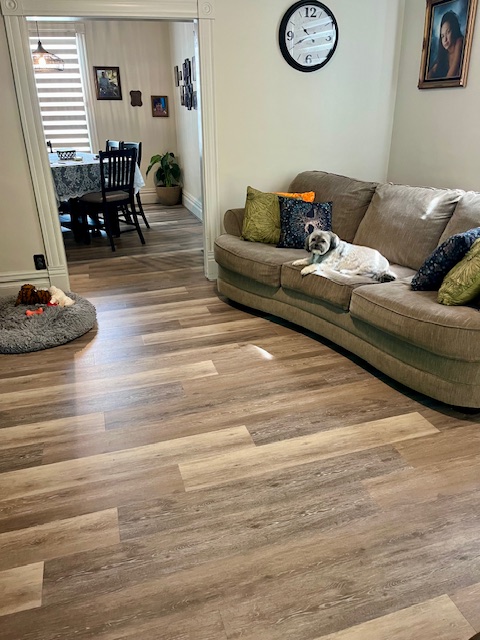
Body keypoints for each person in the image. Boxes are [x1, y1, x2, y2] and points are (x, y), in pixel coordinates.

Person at [427, 10, 463, 79]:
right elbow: (431, 72)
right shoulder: (444, 55)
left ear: (454, 30)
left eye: (448, 32)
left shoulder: (459, 42)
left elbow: (450, 76)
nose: (445, 39)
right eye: (442, 36)